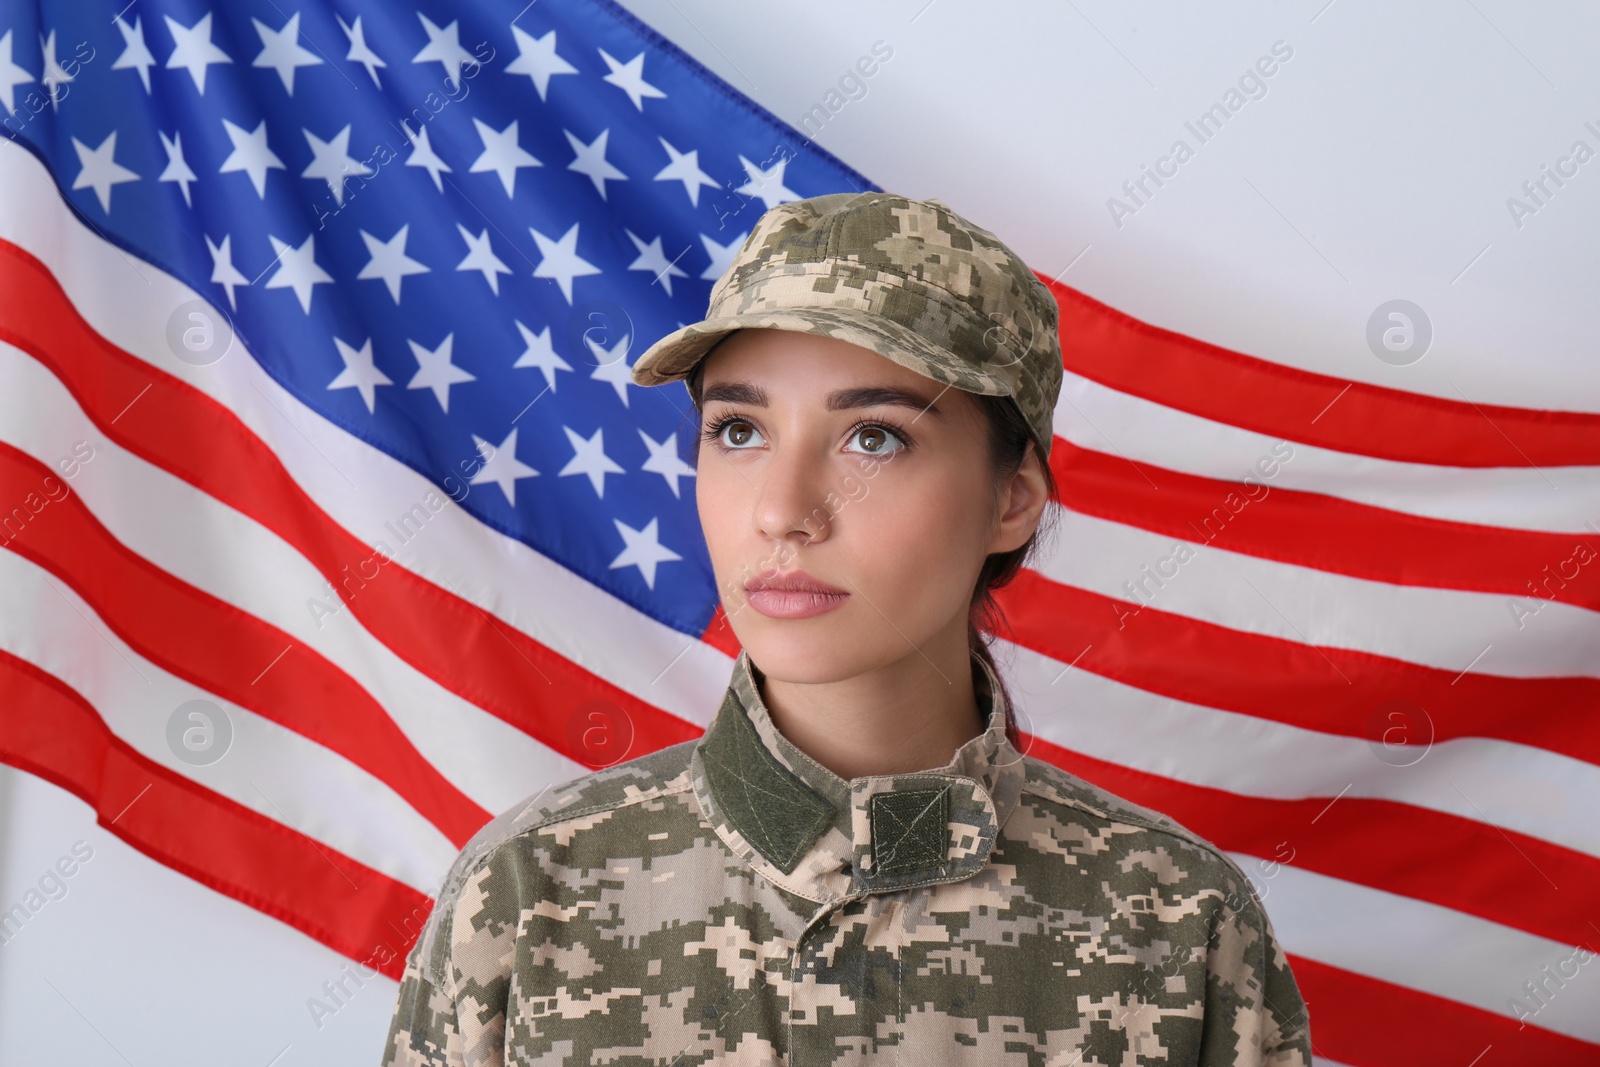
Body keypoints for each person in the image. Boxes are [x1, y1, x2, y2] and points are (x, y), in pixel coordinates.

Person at [379, 191, 1312, 1065]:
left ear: (1012, 499)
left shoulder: (1179, 926)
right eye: (738, 430)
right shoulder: (529, 896)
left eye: (875, 437)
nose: (783, 512)